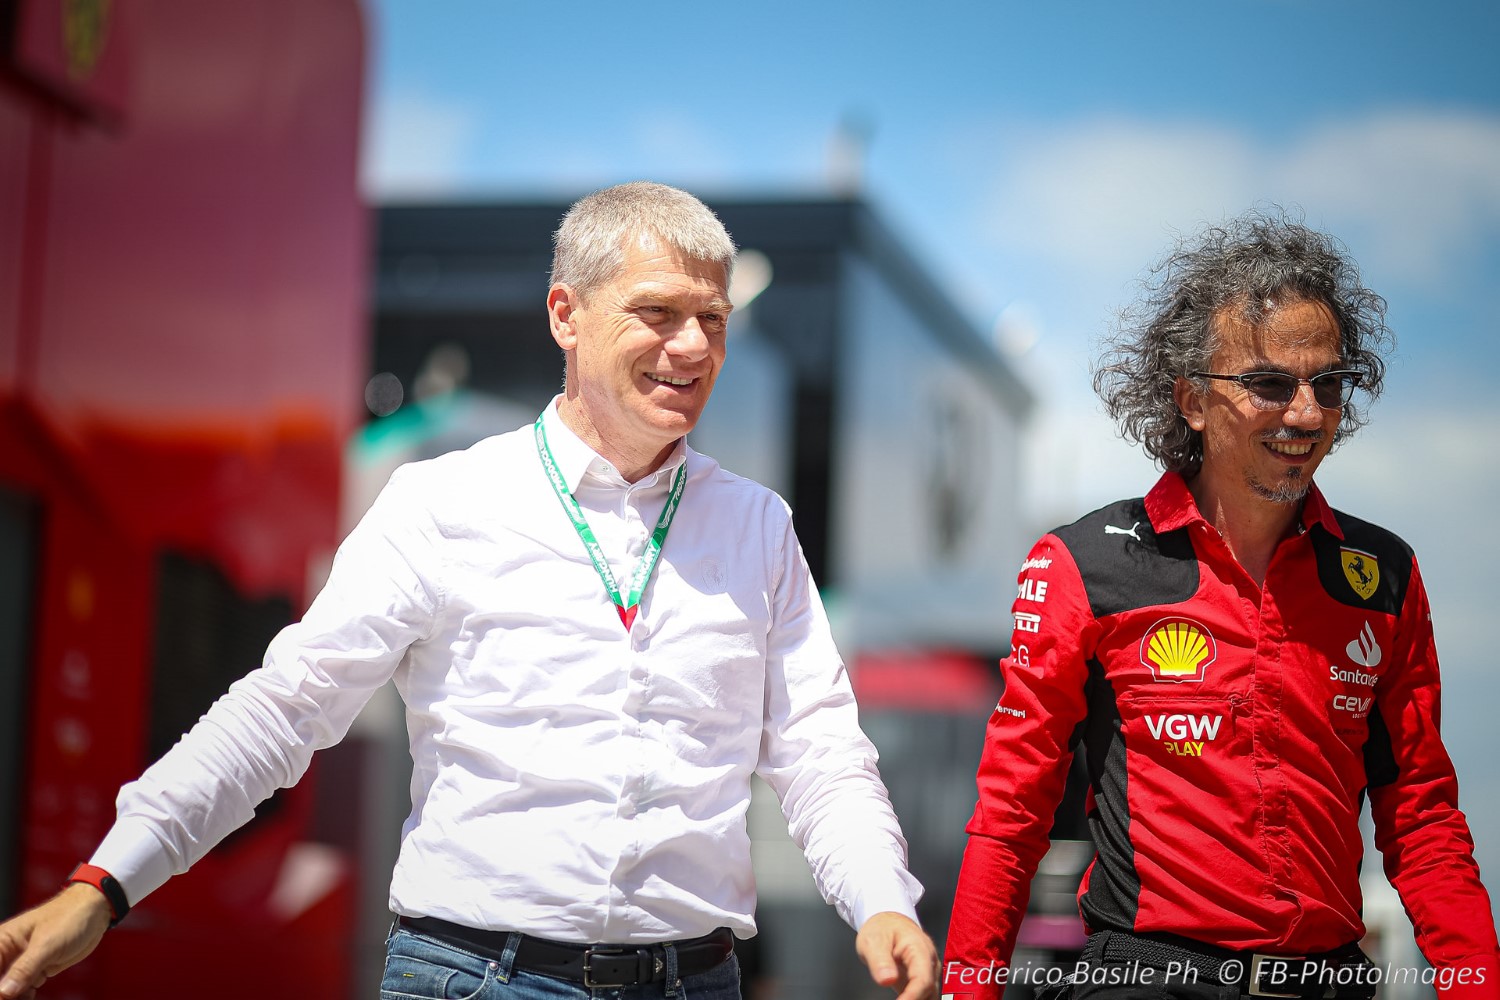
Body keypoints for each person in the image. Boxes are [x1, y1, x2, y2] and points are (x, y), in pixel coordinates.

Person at [0, 181, 938, 1000]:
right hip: (475, 979)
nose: (692, 346)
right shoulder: (445, 502)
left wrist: (880, 899)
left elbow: (820, 753)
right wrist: (106, 880)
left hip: (694, 982)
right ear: (567, 314)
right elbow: (286, 710)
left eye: (715, 319)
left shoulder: (757, 527)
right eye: (657, 313)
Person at [942, 211, 1499, 1000]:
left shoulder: (1386, 575)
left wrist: (1478, 985)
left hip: (1331, 979)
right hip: (1143, 977)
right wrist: (968, 989)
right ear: (1192, 401)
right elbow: (1012, 809)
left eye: (1328, 384)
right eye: (1270, 384)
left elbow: (1422, 817)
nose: (1306, 414)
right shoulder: (1085, 563)